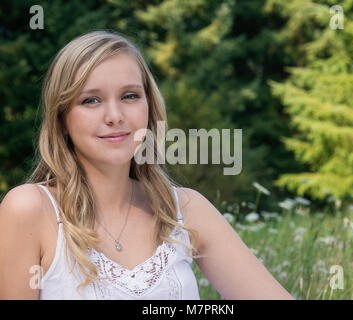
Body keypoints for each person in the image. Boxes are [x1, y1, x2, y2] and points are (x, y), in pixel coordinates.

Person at [0, 30, 294, 300]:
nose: (115, 115)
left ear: (149, 108)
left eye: (130, 96)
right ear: (62, 118)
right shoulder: (30, 209)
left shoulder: (187, 211)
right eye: (91, 100)